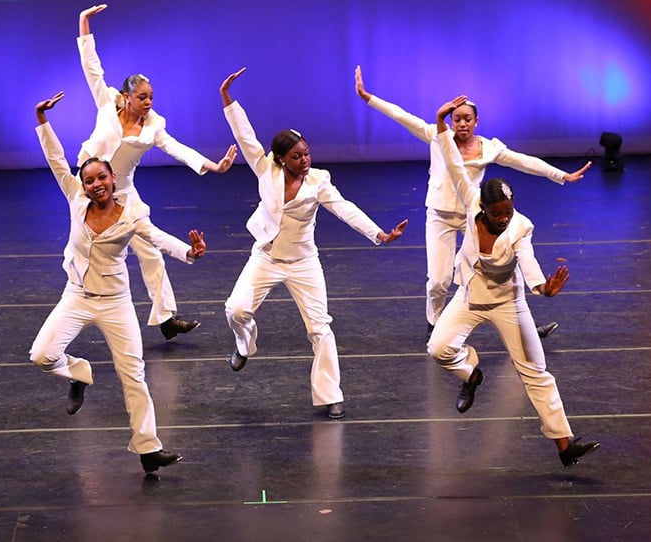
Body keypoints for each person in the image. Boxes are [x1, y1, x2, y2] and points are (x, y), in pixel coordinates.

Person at [31, 91, 205, 473]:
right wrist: (43, 122)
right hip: (76, 296)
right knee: (42, 356)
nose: (95, 185)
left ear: (113, 179)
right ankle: (78, 373)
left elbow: (157, 237)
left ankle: (148, 448)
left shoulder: (130, 216)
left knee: (134, 375)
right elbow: (57, 160)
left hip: (114, 302)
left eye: (101, 178)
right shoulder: (76, 199)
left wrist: (189, 253)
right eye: (89, 180)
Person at [220, 68, 409, 420]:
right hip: (266, 257)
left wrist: (379, 234)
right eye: (297, 157)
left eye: (307, 154)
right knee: (236, 310)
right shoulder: (265, 169)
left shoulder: (319, 180)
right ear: (280, 159)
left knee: (319, 327)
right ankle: (245, 345)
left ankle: (329, 394)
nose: (305, 160)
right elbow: (245, 136)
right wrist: (228, 99)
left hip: (304, 262)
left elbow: (344, 209)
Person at [354, 66, 590, 340]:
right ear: (450, 121)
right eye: (457, 119)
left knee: (504, 269)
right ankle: (436, 325)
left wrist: (561, 175)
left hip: (475, 216)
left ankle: (525, 327)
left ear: (476, 121)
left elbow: (524, 161)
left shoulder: (488, 147)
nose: (462, 124)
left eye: (467, 119)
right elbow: (401, 116)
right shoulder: (436, 136)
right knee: (439, 281)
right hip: (440, 216)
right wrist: (367, 96)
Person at [427, 95, 599, 467]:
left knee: (535, 372)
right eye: (498, 213)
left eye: (508, 211)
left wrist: (541, 289)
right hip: (470, 296)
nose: (504, 218)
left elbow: (528, 260)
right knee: (438, 349)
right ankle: (471, 374)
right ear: (484, 208)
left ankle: (565, 444)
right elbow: (452, 160)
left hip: (508, 301)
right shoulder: (471, 200)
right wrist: (440, 121)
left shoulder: (521, 227)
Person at [76, 4, 238, 341]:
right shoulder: (107, 104)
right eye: (142, 97)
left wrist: (213, 165)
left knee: (149, 248)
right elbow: (93, 68)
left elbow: (177, 148)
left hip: (123, 190)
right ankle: (79, 307)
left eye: (151, 97)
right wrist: (84, 24)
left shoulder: (154, 125)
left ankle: (166, 317)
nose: (148, 102)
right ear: (127, 97)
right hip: (89, 185)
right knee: (82, 246)